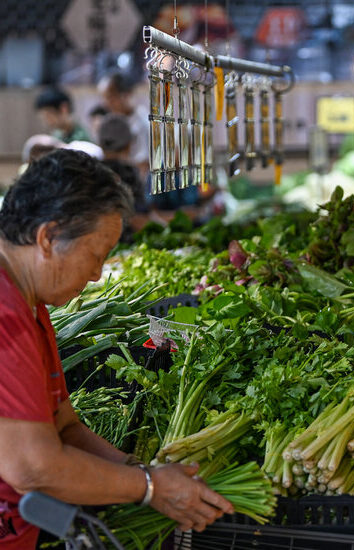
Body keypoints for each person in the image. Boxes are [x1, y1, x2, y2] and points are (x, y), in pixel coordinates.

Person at [0, 150, 234, 548]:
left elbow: (64, 426)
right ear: (48, 237)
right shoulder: (5, 315)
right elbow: (32, 467)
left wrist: (141, 469)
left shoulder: (30, 304)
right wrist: (148, 487)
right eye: (95, 256)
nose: (96, 275)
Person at [98, 72, 150, 177]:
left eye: (110, 98)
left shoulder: (142, 123)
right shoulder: (110, 120)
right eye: (104, 98)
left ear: (126, 95)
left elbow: (143, 164)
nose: (105, 103)